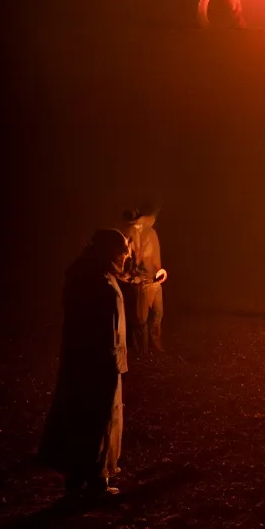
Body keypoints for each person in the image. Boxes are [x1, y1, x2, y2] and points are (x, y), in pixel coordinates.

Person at [38, 229, 131, 498]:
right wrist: (113, 362)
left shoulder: (82, 273)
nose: (124, 257)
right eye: (122, 252)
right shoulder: (100, 282)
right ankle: (96, 480)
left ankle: (75, 477)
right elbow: (104, 329)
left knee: (77, 413)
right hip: (100, 360)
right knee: (99, 417)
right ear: (110, 252)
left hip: (78, 359)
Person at [122, 206, 168, 356]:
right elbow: (127, 259)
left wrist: (159, 271)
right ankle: (142, 350)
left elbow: (155, 256)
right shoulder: (130, 236)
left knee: (158, 313)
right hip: (141, 282)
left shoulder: (151, 233)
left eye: (138, 222)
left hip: (155, 279)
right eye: (134, 223)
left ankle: (156, 345)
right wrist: (132, 276)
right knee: (141, 319)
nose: (137, 225)